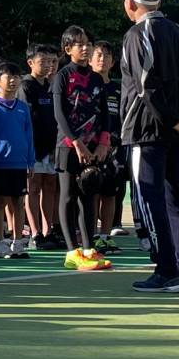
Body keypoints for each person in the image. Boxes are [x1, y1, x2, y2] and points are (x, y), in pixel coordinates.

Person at [119, 0, 179, 293]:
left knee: (150, 198)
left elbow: (145, 86)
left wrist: (172, 119)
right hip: (174, 128)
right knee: (175, 198)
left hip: (146, 128)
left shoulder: (136, 34)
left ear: (131, 3)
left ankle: (167, 268)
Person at [51, 26, 112, 272]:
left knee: (89, 195)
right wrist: (76, 142)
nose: (85, 48)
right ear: (68, 49)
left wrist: (103, 142)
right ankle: (72, 251)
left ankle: (88, 248)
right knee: (68, 196)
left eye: (87, 43)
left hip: (93, 147)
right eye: (79, 44)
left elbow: (105, 113)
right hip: (69, 146)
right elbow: (59, 113)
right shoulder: (62, 76)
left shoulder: (97, 78)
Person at [0, 60, 34, 259]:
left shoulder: (22, 107)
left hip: (20, 162)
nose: (13, 81)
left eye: (16, 77)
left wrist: (30, 161)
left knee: (19, 202)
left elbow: (29, 135)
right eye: (8, 77)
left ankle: (17, 241)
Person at [21, 43, 61, 250]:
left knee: (50, 187)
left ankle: (49, 230)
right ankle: (35, 232)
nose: (47, 66)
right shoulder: (26, 86)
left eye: (50, 61)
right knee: (33, 188)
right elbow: (28, 119)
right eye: (42, 61)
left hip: (52, 147)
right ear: (30, 63)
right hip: (33, 148)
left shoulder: (52, 85)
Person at [91, 40, 129, 240]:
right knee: (91, 190)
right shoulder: (85, 85)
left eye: (106, 56)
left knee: (111, 192)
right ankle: (89, 234)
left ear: (113, 62)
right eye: (98, 55)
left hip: (115, 148)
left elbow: (126, 118)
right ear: (90, 59)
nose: (102, 60)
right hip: (90, 148)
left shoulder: (118, 88)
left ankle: (105, 236)